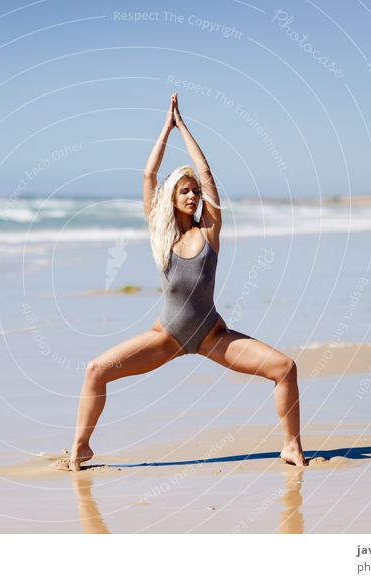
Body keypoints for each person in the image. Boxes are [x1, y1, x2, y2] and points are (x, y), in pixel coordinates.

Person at [63, 93, 306, 470]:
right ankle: (81, 448)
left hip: (212, 336)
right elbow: (147, 177)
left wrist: (186, 129)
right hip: (169, 337)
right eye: (185, 191)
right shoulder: (161, 234)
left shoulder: (209, 230)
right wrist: (166, 128)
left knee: (285, 368)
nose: (193, 196)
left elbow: (206, 172)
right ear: (172, 197)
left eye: (195, 192)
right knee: (96, 370)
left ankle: (291, 445)